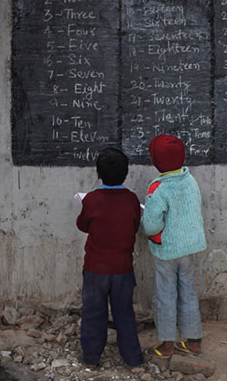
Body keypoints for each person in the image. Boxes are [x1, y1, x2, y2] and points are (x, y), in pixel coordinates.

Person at [76, 147, 143, 367]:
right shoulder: (131, 200)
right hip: (122, 269)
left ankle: (91, 358)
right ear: (126, 173)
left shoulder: (92, 200)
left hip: (95, 270)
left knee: (94, 315)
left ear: (98, 174)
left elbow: (83, 225)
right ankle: (133, 358)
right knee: (124, 314)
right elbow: (134, 226)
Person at [141, 134, 207, 357]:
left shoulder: (158, 188)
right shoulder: (190, 180)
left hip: (166, 251)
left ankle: (167, 345)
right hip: (188, 248)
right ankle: (194, 341)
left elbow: (150, 226)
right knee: (188, 292)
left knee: (165, 295)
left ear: (155, 161)